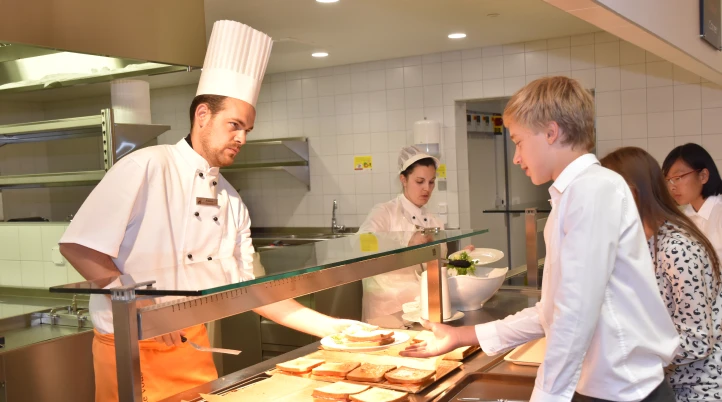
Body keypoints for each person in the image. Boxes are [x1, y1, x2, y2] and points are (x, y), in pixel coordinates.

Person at [59, 20, 370, 402]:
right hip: (131, 347)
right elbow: (79, 246)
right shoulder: (146, 166)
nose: (242, 138)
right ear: (202, 115)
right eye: (234, 125)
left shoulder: (231, 200)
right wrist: (139, 304)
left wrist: (334, 328)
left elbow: (255, 290)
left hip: (193, 344)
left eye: (247, 129)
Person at [401, 76, 680, 402]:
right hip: (609, 389)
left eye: (519, 142)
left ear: (551, 132)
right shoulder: (575, 193)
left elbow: (574, 315)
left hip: (626, 393)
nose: (516, 157)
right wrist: (462, 335)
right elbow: (553, 310)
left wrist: (546, 397)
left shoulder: (592, 190)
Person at [601, 146, 721, 401]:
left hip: (696, 389)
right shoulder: (643, 240)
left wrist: (630, 352)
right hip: (662, 381)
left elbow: (698, 341)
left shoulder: (677, 248)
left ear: (631, 193)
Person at [357, 146, 445, 321]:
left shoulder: (434, 221)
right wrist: (406, 239)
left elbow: (438, 264)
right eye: (420, 181)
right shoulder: (385, 212)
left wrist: (460, 259)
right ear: (403, 179)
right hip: (387, 311)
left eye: (431, 182)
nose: (427, 189)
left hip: (423, 309)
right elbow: (362, 242)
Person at [662, 143, 722, 261]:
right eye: (668, 180)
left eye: (677, 178)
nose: (672, 187)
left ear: (703, 176)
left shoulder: (719, 212)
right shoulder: (683, 218)